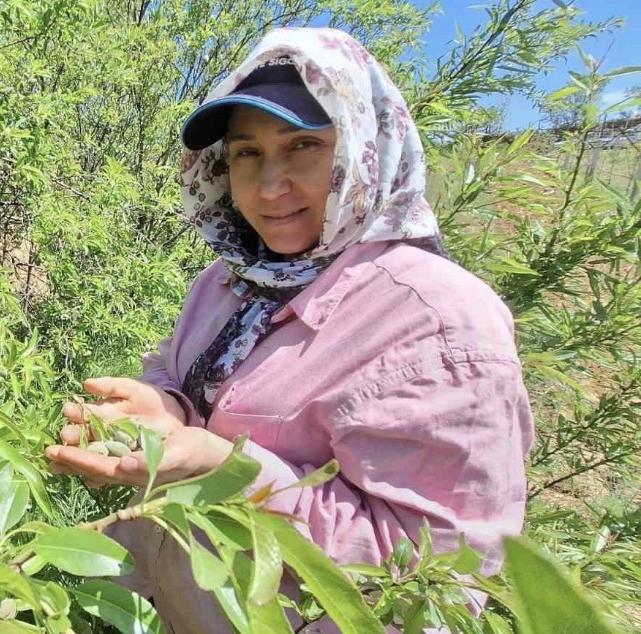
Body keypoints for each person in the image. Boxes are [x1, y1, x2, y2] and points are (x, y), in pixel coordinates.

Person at [44, 26, 533, 633]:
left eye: (301, 145)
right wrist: (164, 406)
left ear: (362, 148)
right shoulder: (234, 280)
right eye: (248, 152)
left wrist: (224, 470)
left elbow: (436, 577)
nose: (270, 187)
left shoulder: (436, 324)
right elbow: (178, 372)